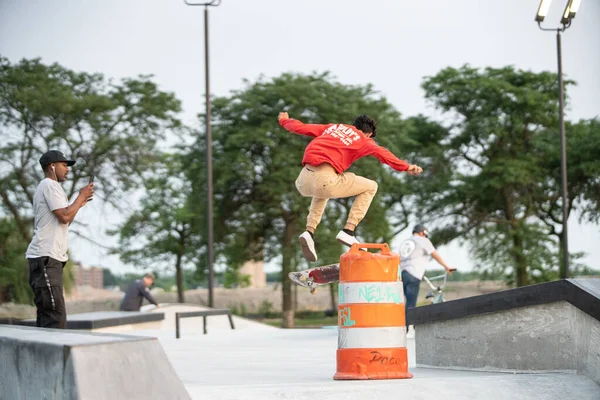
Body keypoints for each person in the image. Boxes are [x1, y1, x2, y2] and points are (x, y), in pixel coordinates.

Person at [278, 112, 423, 262]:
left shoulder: (334, 128)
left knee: (322, 192)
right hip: (326, 179)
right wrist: (406, 167)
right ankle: (348, 230)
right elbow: (383, 154)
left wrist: (284, 120)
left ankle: (309, 231)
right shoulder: (364, 141)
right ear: (369, 134)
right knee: (371, 186)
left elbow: (301, 127)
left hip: (302, 180)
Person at [26, 150, 94, 329]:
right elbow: (64, 216)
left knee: (48, 313)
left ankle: (41, 356)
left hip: (48, 258)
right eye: (64, 165)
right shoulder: (49, 184)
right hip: (45, 258)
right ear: (52, 166)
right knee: (55, 315)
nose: (68, 169)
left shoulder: (50, 187)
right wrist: (80, 196)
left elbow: (65, 221)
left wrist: (80, 203)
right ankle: (53, 357)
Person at [400, 224, 454, 337]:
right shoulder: (422, 240)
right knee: (411, 303)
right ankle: (409, 329)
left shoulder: (405, 242)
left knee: (404, 302)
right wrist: (446, 266)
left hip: (402, 273)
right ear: (422, 233)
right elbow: (434, 254)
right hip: (413, 273)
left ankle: (402, 328)